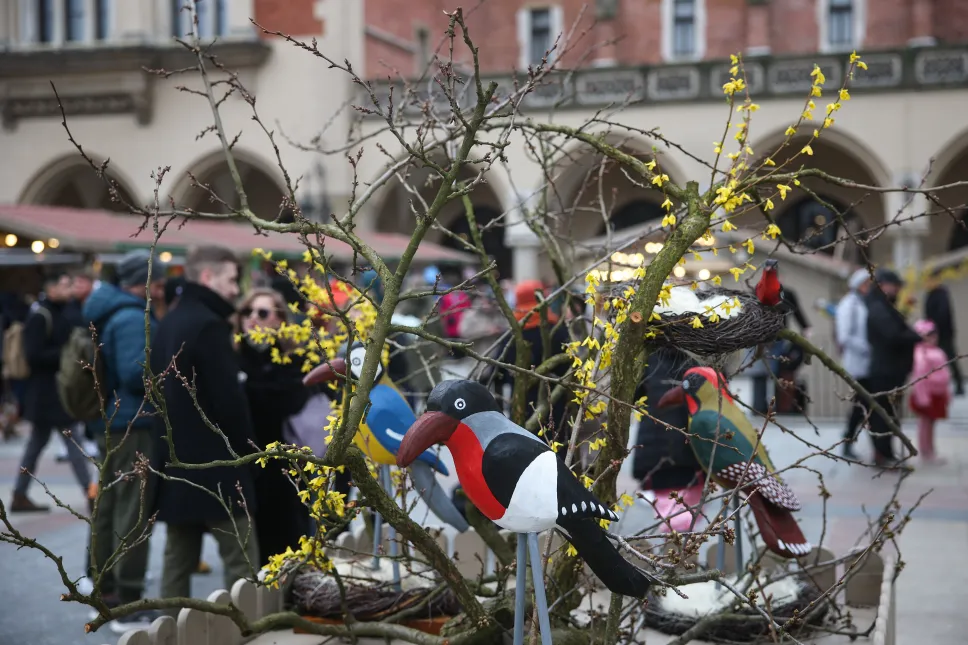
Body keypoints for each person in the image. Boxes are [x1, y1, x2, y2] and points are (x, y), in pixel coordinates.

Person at [150, 246, 259, 604]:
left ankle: (166, 633)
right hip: (218, 469)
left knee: (177, 562)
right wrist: (248, 454)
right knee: (242, 562)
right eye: (230, 280)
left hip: (177, 465)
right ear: (208, 277)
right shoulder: (209, 326)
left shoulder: (169, 322)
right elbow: (231, 403)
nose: (235, 289)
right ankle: (250, 632)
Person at [83, 250, 166, 632]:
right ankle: (127, 598)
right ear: (144, 281)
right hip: (134, 421)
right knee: (131, 507)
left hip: (115, 420)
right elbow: (135, 375)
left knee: (111, 503)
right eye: (158, 278)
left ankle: (104, 586)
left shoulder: (109, 309)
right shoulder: (133, 317)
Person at [235, 288, 311, 565]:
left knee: (285, 539)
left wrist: (248, 387)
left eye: (263, 312)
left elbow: (288, 400)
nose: (253, 318)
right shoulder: (231, 357)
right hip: (243, 463)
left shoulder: (293, 359)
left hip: (284, 462)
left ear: (279, 320)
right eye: (247, 312)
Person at [10, 270, 91, 512]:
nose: (70, 290)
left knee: (38, 444)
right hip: (48, 395)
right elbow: (33, 355)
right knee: (72, 442)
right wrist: (66, 356)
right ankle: (91, 492)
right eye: (66, 285)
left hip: (52, 393)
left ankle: (19, 494)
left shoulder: (61, 312)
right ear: (52, 288)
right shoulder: (41, 315)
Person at [631, 346, 705, 533]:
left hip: (654, 448)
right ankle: (682, 554)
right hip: (692, 450)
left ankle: (673, 550)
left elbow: (633, 394)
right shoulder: (697, 356)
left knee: (669, 514)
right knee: (689, 513)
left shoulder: (647, 356)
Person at [486, 280, 572, 439]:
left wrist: (500, 411)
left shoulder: (512, 335)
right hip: (555, 407)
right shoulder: (558, 331)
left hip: (521, 407)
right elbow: (571, 369)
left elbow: (496, 374)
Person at [866, 269, 921, 467]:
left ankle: (887, 453)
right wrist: (916, 336)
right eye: (894, 286)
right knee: (884, 415)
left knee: (890, 414)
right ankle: (883, 454)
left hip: (893, 370)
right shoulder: (878, 307)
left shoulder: (884, 306)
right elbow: (892, 335)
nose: (897, 290)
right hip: (885, 370)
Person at [835, 269, 872, 460]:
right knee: (861, 403)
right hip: (858, 361)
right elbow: (845, 336)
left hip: (866, 361)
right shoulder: (848, 304)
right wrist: (866, 348)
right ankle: (848, 440)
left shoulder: (862, 303)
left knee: (863, 403)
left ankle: (850, 440)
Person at [909, 319, 951, 465]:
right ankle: (926, 451)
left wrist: (946, 394)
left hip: (938, 394)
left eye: (934, 334)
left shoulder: (937, 351)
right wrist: (923, 398)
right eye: (929, 335)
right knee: (925, 423)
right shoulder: (921, 353)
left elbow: (945, 374)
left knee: (931, 423)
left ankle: (930, 449)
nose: (933, 337)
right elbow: (920, 378)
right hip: (927, 395)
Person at [923, 270, 963, 396]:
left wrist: (936, 330)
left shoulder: (941, 294)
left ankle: (958, 384)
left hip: (944, 334)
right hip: (932, 333)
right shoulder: (929, 295)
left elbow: (943, 314)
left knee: (950, 358)